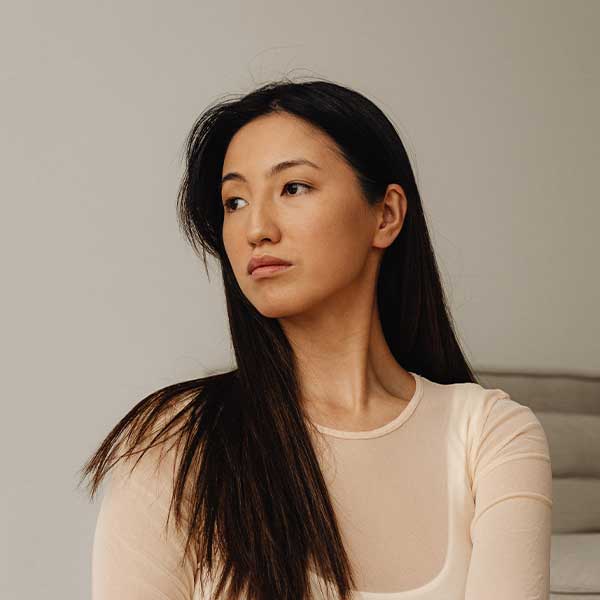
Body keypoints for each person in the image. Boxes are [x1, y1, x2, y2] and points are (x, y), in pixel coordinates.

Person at [79, 77, 553, 600]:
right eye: (234, 201)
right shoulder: (174, 442)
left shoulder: (490, 437)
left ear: (386, 215)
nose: (256, 228)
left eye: (293, 188)